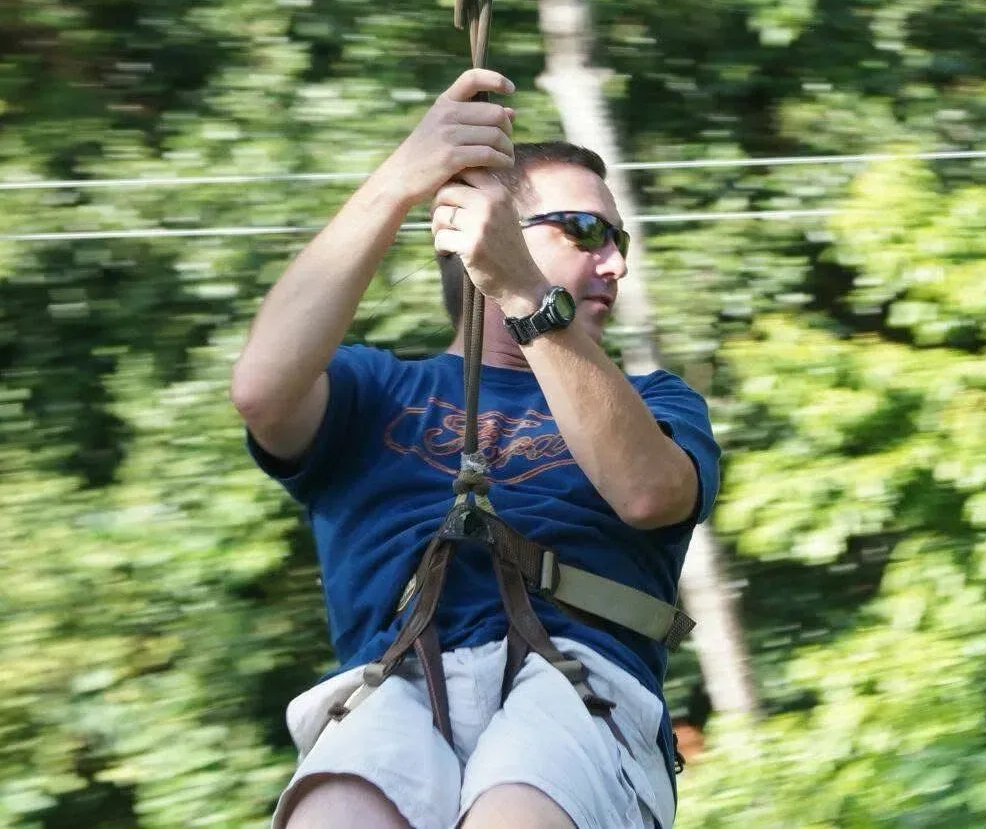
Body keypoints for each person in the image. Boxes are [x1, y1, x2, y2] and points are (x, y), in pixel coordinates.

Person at [231, 67, 721, 829]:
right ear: (470, 231)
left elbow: (649, 493)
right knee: (335, 814)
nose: (616, 264)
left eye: (618, 239)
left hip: (575, 690)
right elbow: (262, 392)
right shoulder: (371, 390)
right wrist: (402, 179)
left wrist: (528, 295)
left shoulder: (652, 402)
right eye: (586, 232)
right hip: (391, 685)